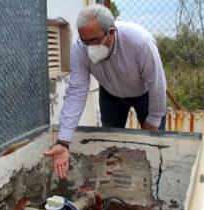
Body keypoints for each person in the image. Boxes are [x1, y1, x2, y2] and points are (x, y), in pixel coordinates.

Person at [44, 4, 167, 179]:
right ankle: (115, 184)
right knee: (111, 146)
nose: (90, 48)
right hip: (111, 95)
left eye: (94, 41)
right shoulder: (80, 49)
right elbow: (77, 92)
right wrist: (63, 141)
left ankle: (155, 181)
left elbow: (157, 84)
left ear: (112, 32)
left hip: (145, 94)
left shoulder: (139, 42)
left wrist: (153, 124)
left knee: (155, 146)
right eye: (85, 41)